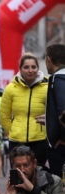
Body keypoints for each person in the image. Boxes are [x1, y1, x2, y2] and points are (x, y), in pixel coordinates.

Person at [0, 53, 48, 167]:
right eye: (26, 67)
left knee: (39, 173)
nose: (30, 70)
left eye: (33, 67)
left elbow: (53, 113)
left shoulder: (47, 87)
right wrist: (12, 130)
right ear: (20, 69)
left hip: (40, 139)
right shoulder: (11, 88)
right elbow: (3, 115)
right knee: (18, 175)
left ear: (38, 68)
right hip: (17, 140)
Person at [44, 44, 65, 177]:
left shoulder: (58, 79)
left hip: (61, 147)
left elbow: (63, 109)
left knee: (59, 188)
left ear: (48, 59)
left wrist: (63, 138)